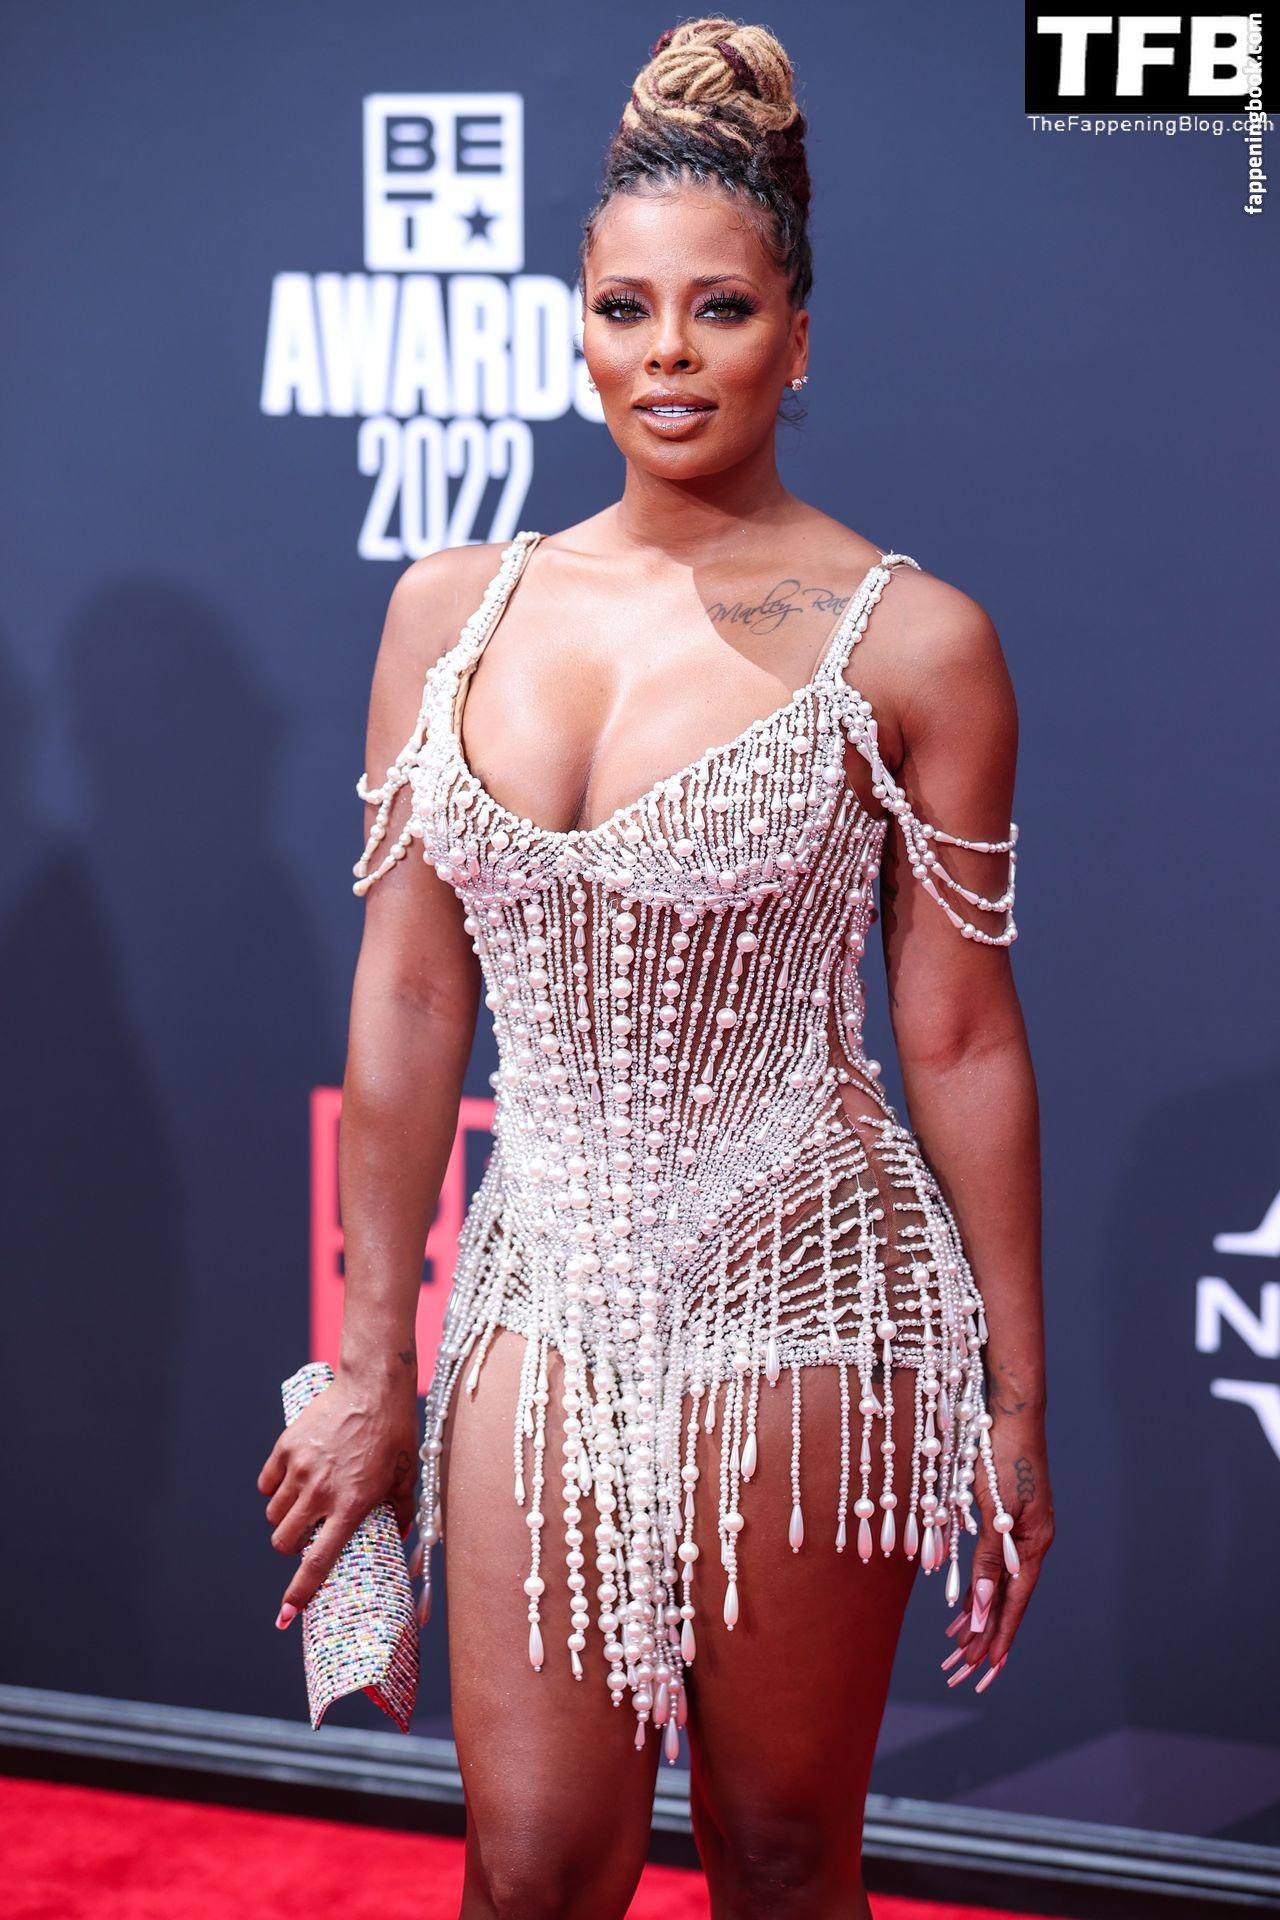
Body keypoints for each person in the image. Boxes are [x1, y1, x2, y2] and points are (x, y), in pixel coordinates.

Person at [257, 19, 1053, 1917]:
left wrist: (1014, 1402)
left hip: (812, 1281)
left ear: (800, 336)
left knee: (779, 1854)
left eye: (722, 308)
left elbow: (957, 1038)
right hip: (541, 1283)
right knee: (531, 1869)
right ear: (582, 332)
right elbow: (410, 997)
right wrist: (370, 1363)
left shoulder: (914, 642)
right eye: (627, 309)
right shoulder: (450, 613)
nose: (671, 353)